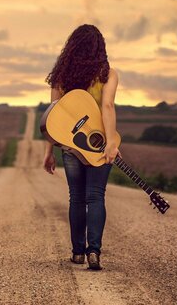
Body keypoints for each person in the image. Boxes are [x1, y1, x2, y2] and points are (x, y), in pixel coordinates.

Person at [42, 24, 120, 271]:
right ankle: (93, 251)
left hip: (70, 146)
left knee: (76, 198)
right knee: (96, 196)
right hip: (99, 144)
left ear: (72, 46)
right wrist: (109, 143)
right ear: (100, 48)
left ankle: (77, 252)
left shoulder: (61, 76)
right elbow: (107, 107)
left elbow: (54, 119)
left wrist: (49, 152)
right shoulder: (107, 74)